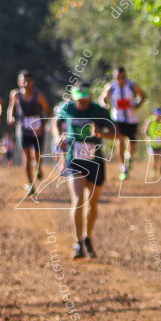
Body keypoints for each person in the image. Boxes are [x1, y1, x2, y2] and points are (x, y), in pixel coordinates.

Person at [54, 81, 117, 259]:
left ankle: (87, 238)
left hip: (96, 163)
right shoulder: (67, 108)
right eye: (78, 100)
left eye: (84, 99)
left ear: (90, 96)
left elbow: (116, 133)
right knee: (78, 199)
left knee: (92, 204)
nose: (81, 103)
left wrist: (101, 133)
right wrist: (59, 136)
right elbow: (55, 123)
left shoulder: (99, 111)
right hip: (74, 161)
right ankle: (77, 243)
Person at [7, 71, 52, 196]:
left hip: (37, 129)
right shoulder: (15, 95)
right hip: (23, 129)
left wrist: (43, 126)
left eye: (27, 81)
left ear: (32, 82)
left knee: (37, 156)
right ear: (19, 82)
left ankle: (38, 167)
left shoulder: (39, 96)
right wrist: (10, 116)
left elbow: (48, 112)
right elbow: (12, 108)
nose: (25, 83)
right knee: (26, 157)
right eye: (22, 81)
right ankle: (31, 185)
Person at [100, 66, 147, 181]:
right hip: (117, 118)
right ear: (114, 78)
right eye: (118, 78)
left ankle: (128, 158)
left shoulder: (131, 85)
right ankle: (123, 168)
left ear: (125, 76)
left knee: (133, 145)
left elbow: (143, 95)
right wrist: (105, 104)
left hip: (132, 119)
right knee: (119, 140)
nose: (120, 80)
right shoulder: (110, 87)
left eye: (122, 77)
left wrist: (137, 105)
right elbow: (102, 98)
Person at [140, 107, 161, 181]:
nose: (159, 117)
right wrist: (147, 138)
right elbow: (144, 131)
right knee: (154, 159)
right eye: (158, 115)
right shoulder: (150, 120)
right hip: (152, 144)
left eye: (160, 115)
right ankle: (154, 171)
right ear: (154, 114)